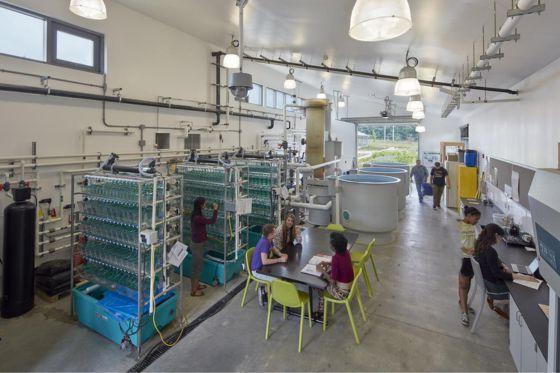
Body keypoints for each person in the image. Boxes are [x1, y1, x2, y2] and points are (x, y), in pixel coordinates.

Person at [474, 223, 537, 318]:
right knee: (523, 289)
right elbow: (497, 274)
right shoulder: (491, 251)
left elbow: (493, 260)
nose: (500, 241)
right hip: (494, 288)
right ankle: (519, 318)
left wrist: (502, 264)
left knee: (516, 278)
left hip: (487, 282)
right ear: (496, 235)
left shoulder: (479, 244)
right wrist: (522, 277)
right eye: (500, 238)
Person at [458, 206, 481, 327]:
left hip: (470, 258)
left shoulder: (471, 226)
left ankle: (463, 302)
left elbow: (473, 241)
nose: (477, 221)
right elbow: (461, 246)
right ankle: (464, 313)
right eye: (476, 219)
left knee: (466, 282)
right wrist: (470, 251)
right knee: (464, 285)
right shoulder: (462, 227)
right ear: (469, 216)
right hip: (467, 259)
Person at [190, 197, 218, 297]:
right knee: (197, 268)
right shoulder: (197, 217)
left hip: (198, 243)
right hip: (197, 245)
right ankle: (193, 291)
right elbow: (211, 221)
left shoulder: (196, 214)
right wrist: (215, 210)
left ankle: (196, 285)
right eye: (204, 204)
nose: (205, 205)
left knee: (198, 266)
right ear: (200, 205)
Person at [317, 232, 354, 301]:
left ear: (333, 247)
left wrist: (322, 270)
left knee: (319, 285)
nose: (329, 243)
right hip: (350, 286)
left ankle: (320, 310)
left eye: (330, 242)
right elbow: (341, 264)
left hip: (342, 293)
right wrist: (328, 263)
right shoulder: (346, 252)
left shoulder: (335, 258)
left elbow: (332, 281)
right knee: (327, 273)